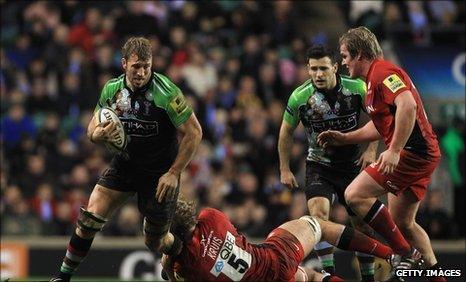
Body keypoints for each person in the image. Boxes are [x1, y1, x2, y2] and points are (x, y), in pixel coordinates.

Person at [51, 37, 202, 282]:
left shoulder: (167, 93)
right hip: (126, 164)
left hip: (159, 174)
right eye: (136, 66)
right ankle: (62, 277)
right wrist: (96, 134)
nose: (142, 72)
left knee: (155, 242)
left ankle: (178, 252)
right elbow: (92, 127)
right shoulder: (112, 89)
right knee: (89, 217)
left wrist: (174, 172)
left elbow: (194, 132)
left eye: (146, 66)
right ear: (124, 64)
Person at [318, 26, 445, 281]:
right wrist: (345, 138)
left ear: (360, 54)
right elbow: (380, 124)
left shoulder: (383, 72)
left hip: (413, 153)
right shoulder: (372, 80)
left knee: (354, 194)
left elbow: (407, 104)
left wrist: (395, 150)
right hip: (421, 154)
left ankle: (403, 253)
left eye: (345, 56)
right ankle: (438, 276)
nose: (342, 63)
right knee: (403, 224)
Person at [278, 44, 379, 281]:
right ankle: (329, 275)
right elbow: (285, 132)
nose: (318, 74)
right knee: (319, 216)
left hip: (353, 166)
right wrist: (284, 168)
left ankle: (369, 278)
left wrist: (372, 149)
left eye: (323, 68)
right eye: (313, 69)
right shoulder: (300, 97)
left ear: (335, 67)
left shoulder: (356, 88)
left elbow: (380, 117)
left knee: (361, 225)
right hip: (319, 166)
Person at [161, 198, 396, 282]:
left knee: (311, 277)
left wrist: (169, 262)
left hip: (271, 278)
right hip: (272, 259)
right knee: (318, 225)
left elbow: (179, 271)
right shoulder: (210, 217)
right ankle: (391, 255)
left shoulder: (184, 265)